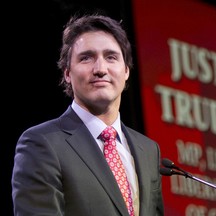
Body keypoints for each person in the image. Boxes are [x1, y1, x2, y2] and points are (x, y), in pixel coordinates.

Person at [11, 13, 164, 216]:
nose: (100, 69)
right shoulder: (42, 143)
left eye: (111, 57)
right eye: (86, 58)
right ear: (67, 73)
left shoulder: (149, 150)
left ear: (126, 70)